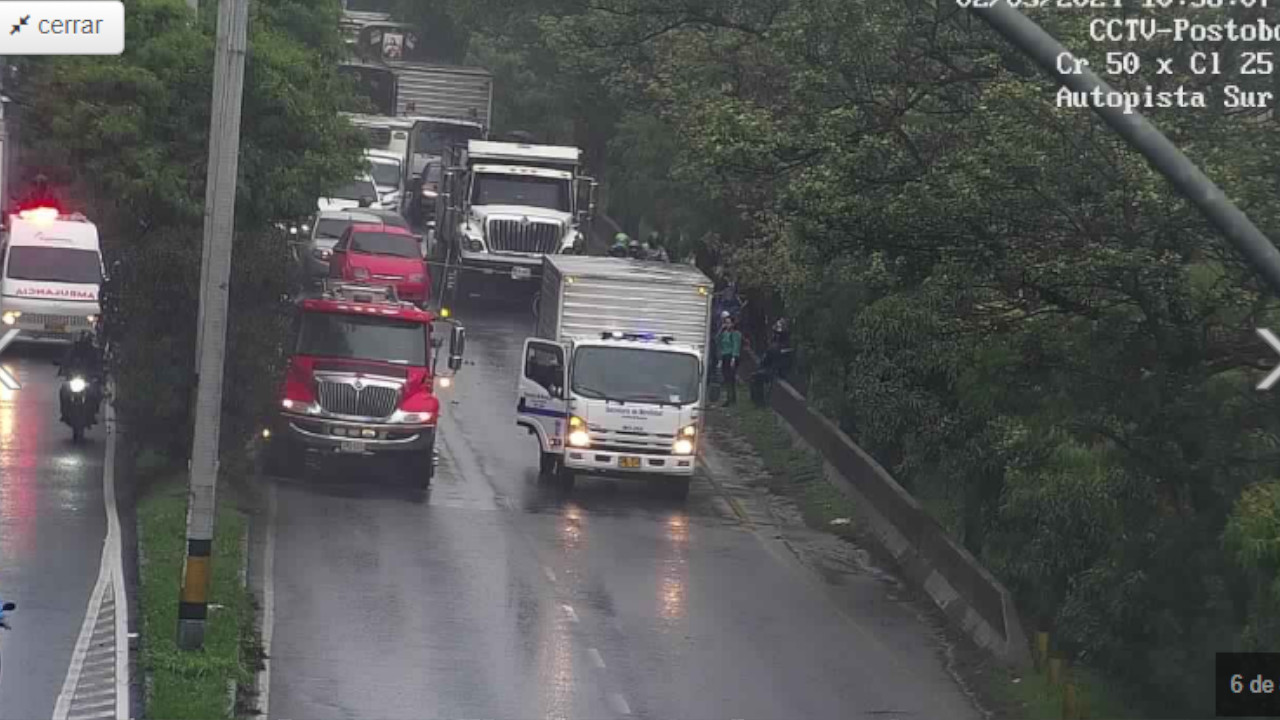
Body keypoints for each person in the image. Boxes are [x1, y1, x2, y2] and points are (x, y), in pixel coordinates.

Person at [59, 331, 105, 424]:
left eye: (86, 341)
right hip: (74, 378)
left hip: (88, 380)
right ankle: (64, 412)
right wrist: (63, 370)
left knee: (96, 392)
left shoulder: (93, 352)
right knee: (63, 390)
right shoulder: (73, 350)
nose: (84, 343)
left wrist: (99, 374)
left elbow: (99, 364)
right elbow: (66, 361)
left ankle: (93, 412)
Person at [717, 315, 742, 406]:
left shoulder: (736, 334)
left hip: (731, 356)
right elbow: (717, 340)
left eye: (728, 323)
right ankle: (729, 397)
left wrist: (734, 358)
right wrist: (721, 329)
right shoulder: (724, 333)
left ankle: (731, 398)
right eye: (725, 323)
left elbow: (736, 346)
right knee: (726, 378)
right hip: (725, 356)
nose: (727, 325)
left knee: (731, 377)